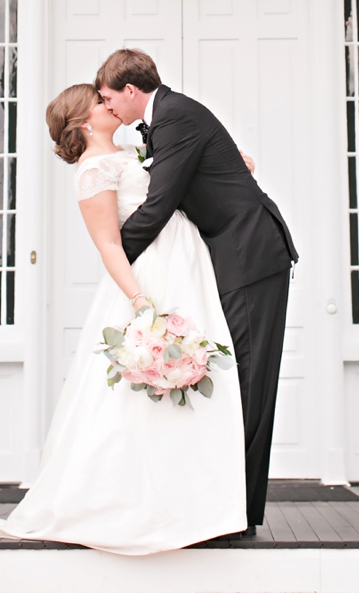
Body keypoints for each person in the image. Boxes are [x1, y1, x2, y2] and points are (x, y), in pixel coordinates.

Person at [0, 82, 247, 553]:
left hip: (188, 266)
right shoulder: (93, 169)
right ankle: (128, 501)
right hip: (150, 275)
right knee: (141, 395)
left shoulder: (134, 151)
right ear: (85, 122)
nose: (111, 104)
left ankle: (199, 502)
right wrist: (139, 300)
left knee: (206, 376)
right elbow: (108, 242)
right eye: (100, 103)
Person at [97, 50, 298, 537]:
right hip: (233, 256)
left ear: (130, 90)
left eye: (107, 98)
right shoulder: (166, 120)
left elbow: (160, 203)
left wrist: (114, 257)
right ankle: (226, 504)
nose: (108, 110)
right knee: (237, 378)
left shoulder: (176, 117)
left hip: (250, 254)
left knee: (250, 381)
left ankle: (241, 515)